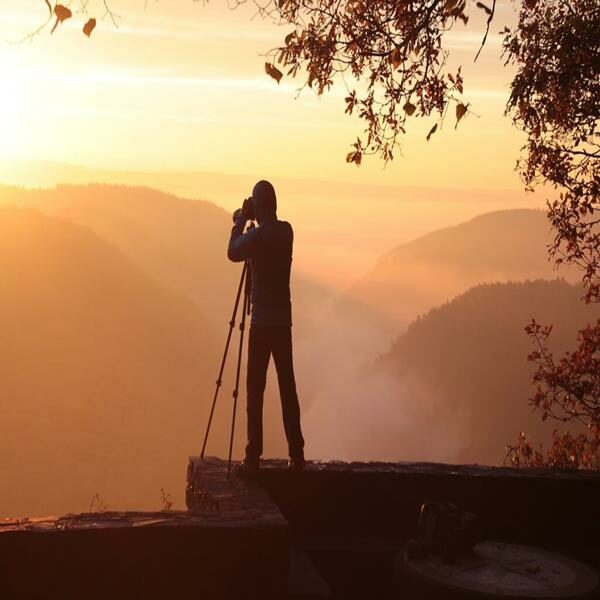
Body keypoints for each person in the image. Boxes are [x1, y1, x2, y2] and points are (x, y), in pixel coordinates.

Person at [227, 180, 305, 477]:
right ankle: (296, 455)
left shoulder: (256, 237)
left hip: (261, 323)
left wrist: (240, 221)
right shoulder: (286, 232)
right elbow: (263, 236)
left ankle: (252, 457)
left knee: (254, 390)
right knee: (288, 388)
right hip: (283, 321)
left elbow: (233, 252)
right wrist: (252, 220)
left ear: (259, 206)